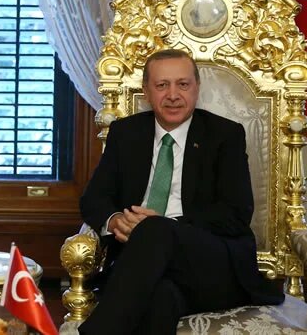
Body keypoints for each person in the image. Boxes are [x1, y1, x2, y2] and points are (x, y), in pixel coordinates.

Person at [78, 49, 283, 334]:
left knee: (154, 229)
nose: (173, 95)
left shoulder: (225, 135)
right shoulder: (126, 133)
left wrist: (165, 226)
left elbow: (236, 213)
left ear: (196, 88)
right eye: (162, 85)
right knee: (162, 298)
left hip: (210, 263)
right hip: (142, 267)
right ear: (146, 91)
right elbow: (94, 198)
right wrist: (115, 221)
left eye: (182, 84)